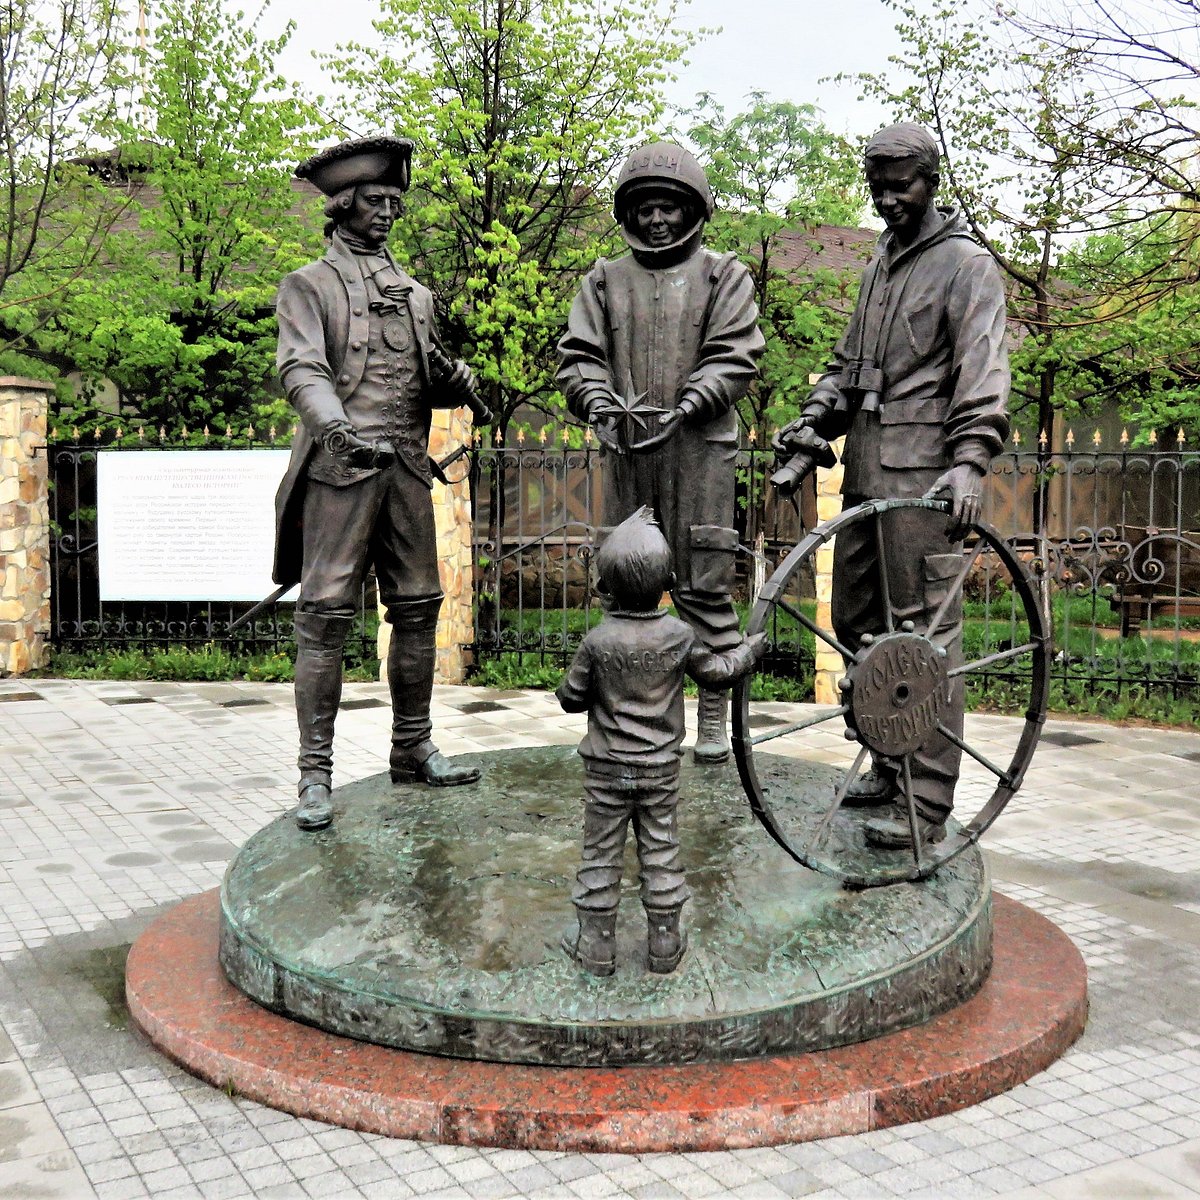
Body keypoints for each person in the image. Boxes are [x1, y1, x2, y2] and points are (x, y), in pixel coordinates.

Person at [772, 122, 1010, 848]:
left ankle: (927, 803)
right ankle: (889, 758)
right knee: (859, 629)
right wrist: (815, 418)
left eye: (899, 184)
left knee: (923, 642)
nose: (886, 198)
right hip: (868, 474)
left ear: (931, 180)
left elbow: (984, 371)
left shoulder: (967, 266)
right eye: (876, 185)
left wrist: (970, 458)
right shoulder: (881, 262)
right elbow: (849, 366)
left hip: (928, 483)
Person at [273, 135, 485, 832]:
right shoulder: (309, 286)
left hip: (404, 470)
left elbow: (421, 375)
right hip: (341, 469)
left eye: (395, 200)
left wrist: (454, 384)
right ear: (342, 206)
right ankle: (314, 775)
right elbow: (301, 369)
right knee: (327, 614)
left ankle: (412, 746)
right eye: (375, 200)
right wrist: (335, 428)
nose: (389, 211)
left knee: (420, 605)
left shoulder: (418, 295)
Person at [556, 141, 765, 766]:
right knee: (622, 585)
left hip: (698, 454)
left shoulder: (723, 276)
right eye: (644, 208)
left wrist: (689, 406)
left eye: (669, 208)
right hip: (626, 454)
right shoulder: (603, 280)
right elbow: (578, 357)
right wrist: (596, 400)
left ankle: (712, 718)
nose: (656, 220)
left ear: (692, 210)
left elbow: (735, 353)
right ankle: (619, 716)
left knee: (705, 583)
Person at [556, 507, 765, 977]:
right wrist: (748, 651)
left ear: (604, 587)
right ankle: (665, 943)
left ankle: (597, 947)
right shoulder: (679, 635)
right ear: (668, 580)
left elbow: (571, 699)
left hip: (606, 771)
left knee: (600, 853)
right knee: (661, 850)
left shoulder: (597, 641)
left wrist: (573, 691)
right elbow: (718, 672)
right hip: (660, 771)